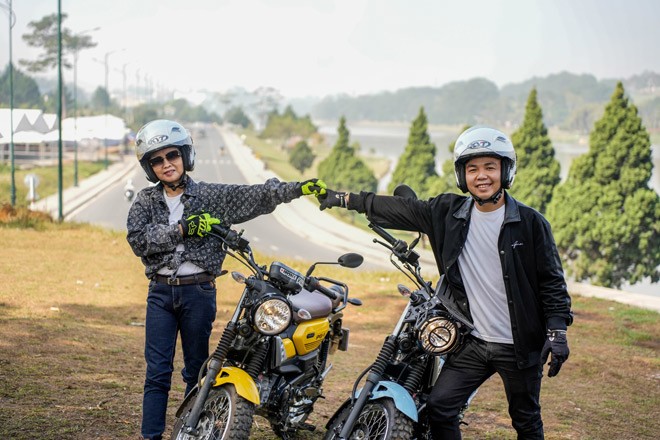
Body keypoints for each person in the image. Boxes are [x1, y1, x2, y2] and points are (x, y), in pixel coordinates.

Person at [318, 125, 572, 439]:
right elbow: (402, 209)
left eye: (490, 167)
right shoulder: (448, 213)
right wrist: (345, 199)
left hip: (519, 346)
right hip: (474, 341)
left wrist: (557, 329)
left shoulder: (531, 223)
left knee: (525, 420)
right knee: (440, 407)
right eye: (472, 169)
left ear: (506, 171)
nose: (481, 176)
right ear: (461, 176)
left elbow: (551, 281)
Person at [126, 119, 326, 440]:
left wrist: (295, 189)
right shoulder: (145, 202)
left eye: (172, 155)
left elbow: (256, 196)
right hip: (161, 295)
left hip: (199, 293)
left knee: (197, 371)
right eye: (157, 160)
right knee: (157, 373)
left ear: (185, 156)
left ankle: (192, 431)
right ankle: (151, 436)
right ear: (150, 168)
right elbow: (139, 240)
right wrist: (182, 228)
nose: (167, 164)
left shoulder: (211, 197)